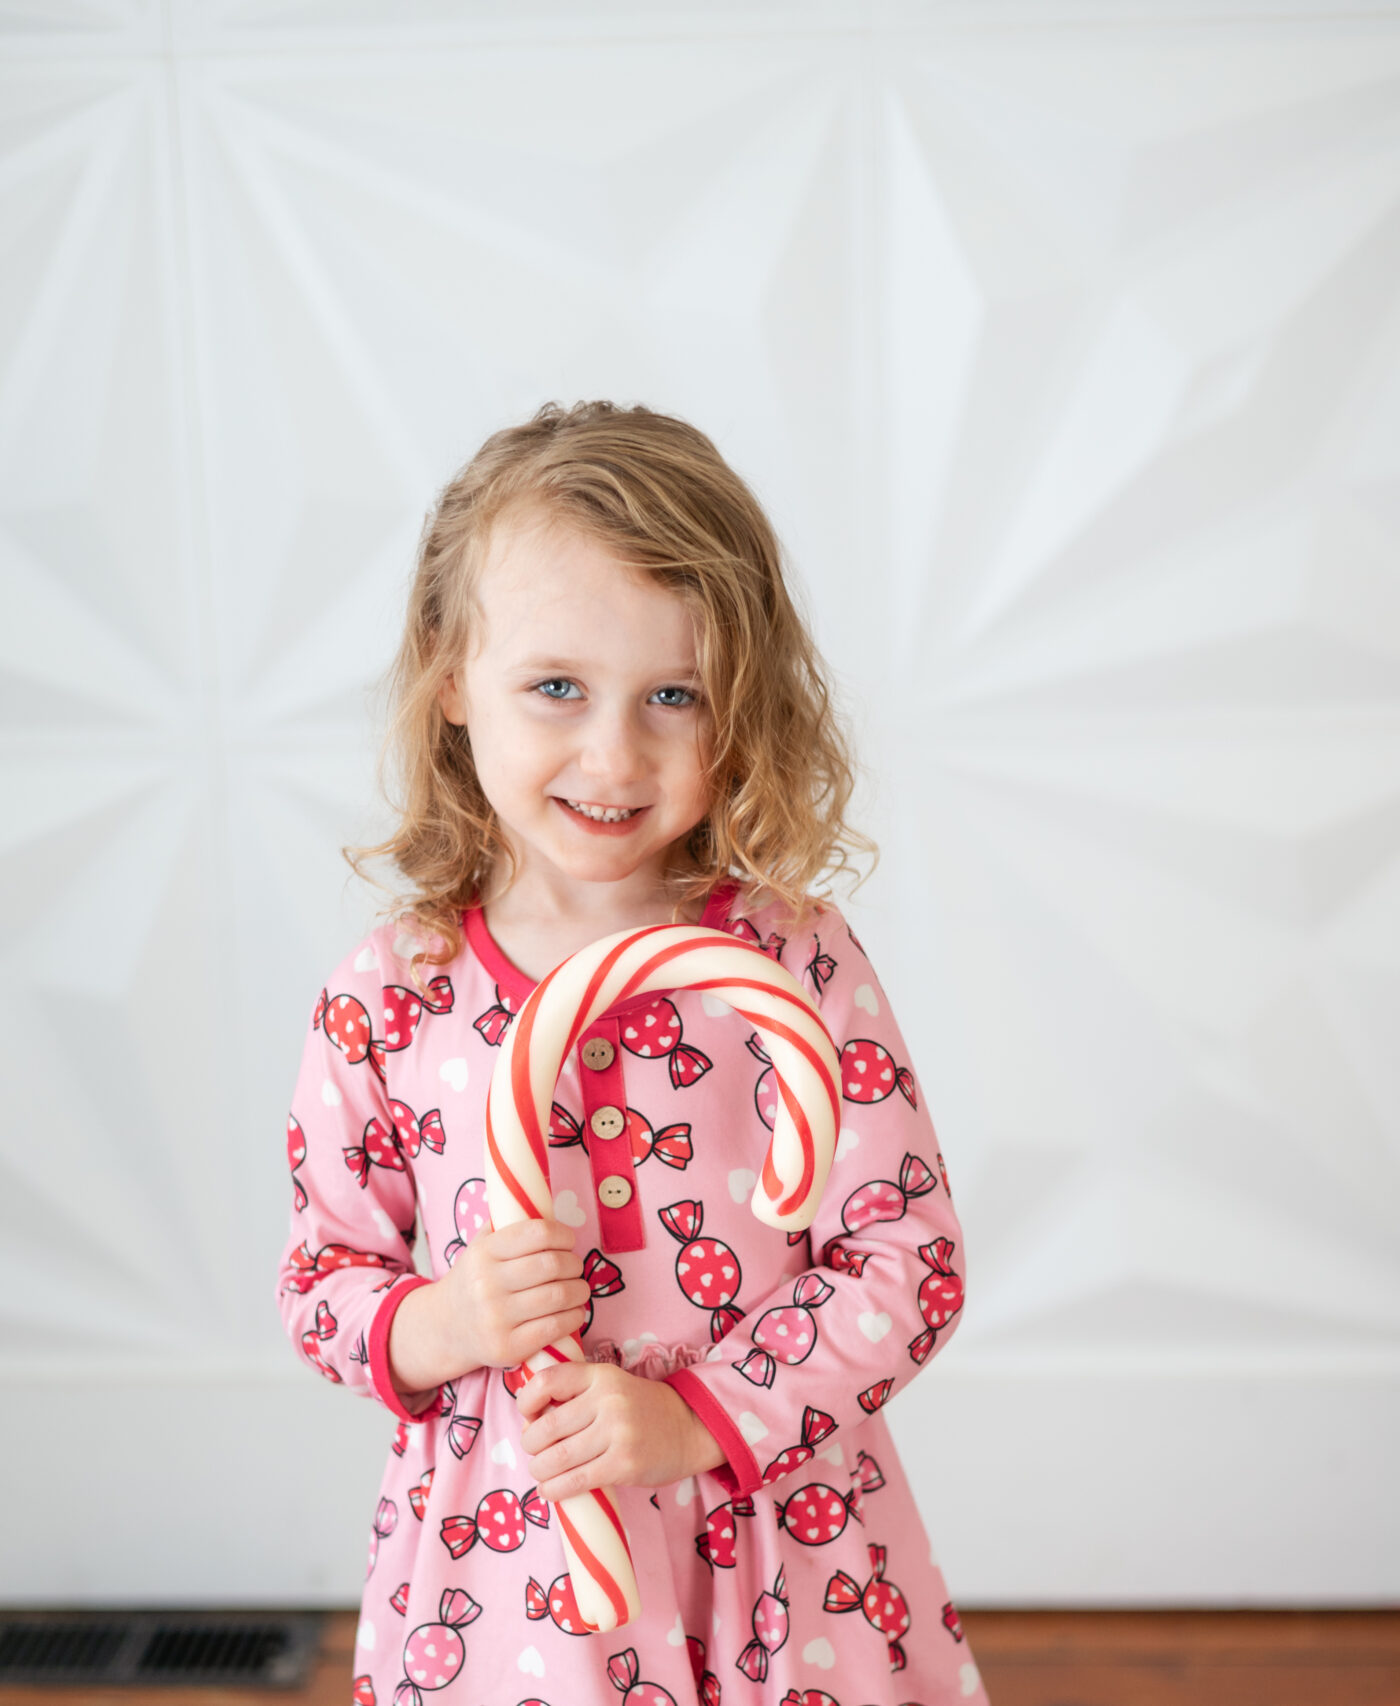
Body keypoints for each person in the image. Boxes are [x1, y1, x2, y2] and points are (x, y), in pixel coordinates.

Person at [277, 401, 982, 1706]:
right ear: (449, 678)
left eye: (675, 694)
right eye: (557, 687)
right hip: (514, 1562)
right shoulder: (391, 992)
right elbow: (323, 1279)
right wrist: (450, 1318)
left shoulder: (794, 962)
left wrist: (696, 1416)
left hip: (778, 1543)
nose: (615, 752)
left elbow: (907, 1261)